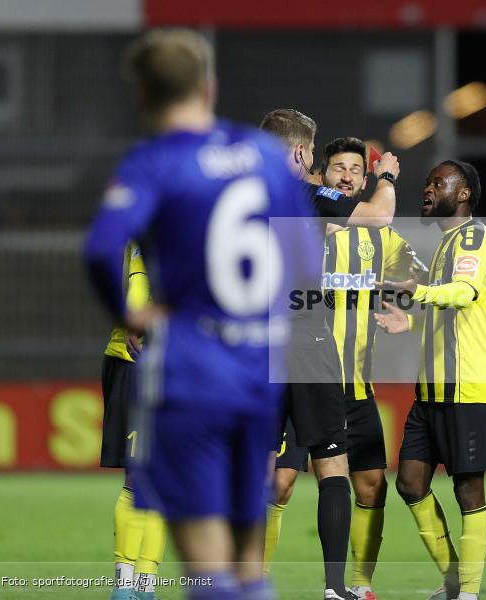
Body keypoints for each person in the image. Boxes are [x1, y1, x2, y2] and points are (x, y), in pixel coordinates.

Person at [84, 29, 320, 600]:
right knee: (247, 551)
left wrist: (131, 313)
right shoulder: (265, 156)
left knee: (202, 561)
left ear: (142, 96)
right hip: (257, 371)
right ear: (209, 87)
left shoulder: (156, 161)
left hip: (192, 370)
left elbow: (99, 247)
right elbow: (307, 264)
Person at [258, 110, 400, 600]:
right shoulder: (306, 193)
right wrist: (383, 177)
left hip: (254, 342)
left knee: (263, 471)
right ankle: (337, 589)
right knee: (331, 463)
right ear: (301, 153)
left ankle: (235, 583)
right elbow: (380, 216)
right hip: (305, 336)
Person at [375, 160, 486, 600]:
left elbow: (463, 295)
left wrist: (418, 293)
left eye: (437, 183)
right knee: (410, 482)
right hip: (432, 390)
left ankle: (466, 593)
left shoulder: (472, 237)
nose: (427, 189)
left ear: (463, 193)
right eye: (427, 182)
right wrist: (409, 324)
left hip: (468, 386)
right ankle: (454, 580)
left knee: (469, 489)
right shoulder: (447, 243)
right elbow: (452, 310)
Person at [101, 241, 167, 600]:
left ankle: (145, 584)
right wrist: (136, 321)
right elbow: (136, 278)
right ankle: (125, 585)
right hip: (135, 359)